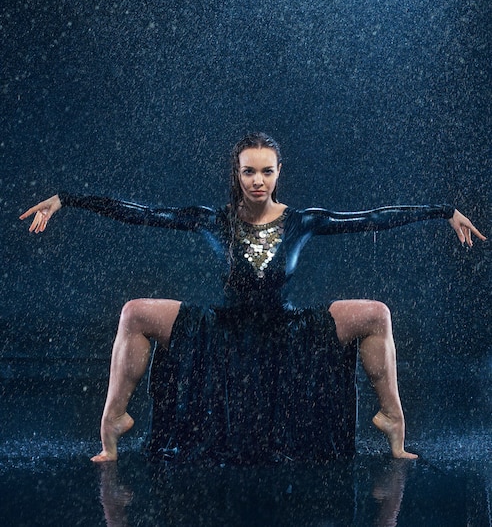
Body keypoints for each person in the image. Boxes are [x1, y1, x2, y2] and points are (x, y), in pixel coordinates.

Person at [20, 133, 486, 463]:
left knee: (375, 313)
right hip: (224, 332)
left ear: (279, 172)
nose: (257, 181)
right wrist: (67, 199)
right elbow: (143, 214)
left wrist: (443, 212)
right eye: (249, 172)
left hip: (287, 333)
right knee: (135, 312)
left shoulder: (303, 220)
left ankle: (391, 419)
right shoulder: (212, 219)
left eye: (266, 171)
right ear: (237, 174)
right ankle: (114, 421)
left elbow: (371, 218)